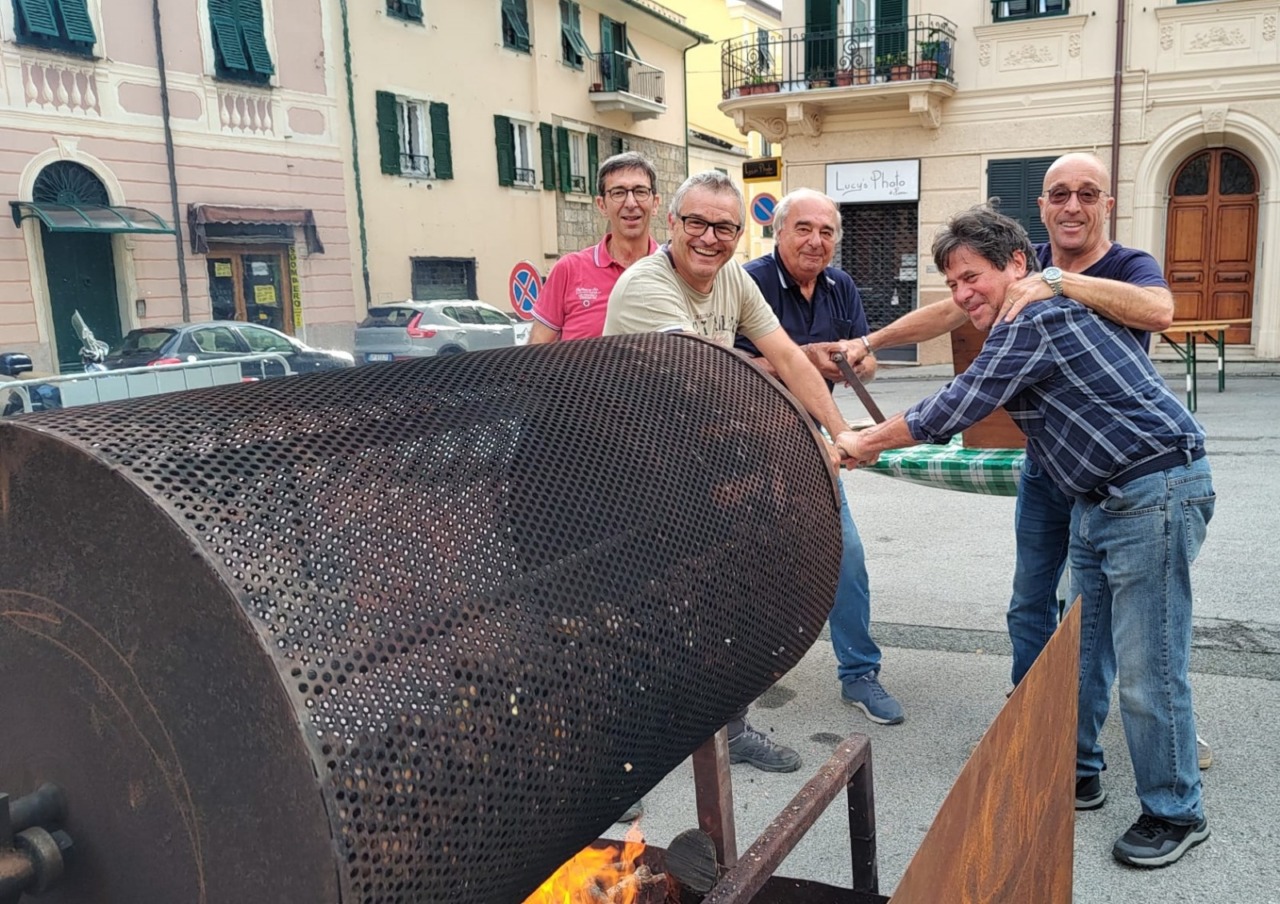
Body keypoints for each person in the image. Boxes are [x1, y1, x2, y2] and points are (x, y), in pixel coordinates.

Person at [846, 204, 1214, 869]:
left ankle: (1175, 808)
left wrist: (865, 441)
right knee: (1078, 653)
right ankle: (1077, 768)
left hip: (1152, 492)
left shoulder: (1036, 314)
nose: (962, 295)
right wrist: (871, 346)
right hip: (1099, 500)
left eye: (970, 277)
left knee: (1147, 668)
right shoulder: (1019, 315)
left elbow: (960, 402)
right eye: (952, 284)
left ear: (1018, 264)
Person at [605, 171, 863, 773]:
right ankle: (621, 767)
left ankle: (732, 729)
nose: (710, 237)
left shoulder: (732, 283)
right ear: (672, 225)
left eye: (725, 227)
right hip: (635, 479)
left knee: (728, 605)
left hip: (697, 475)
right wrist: (798, 442)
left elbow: (789, 360)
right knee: (645, 625)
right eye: (697, 222)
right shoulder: (648, 286)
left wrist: (839, 432)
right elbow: (706, 382)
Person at [735, 188, 904, 725]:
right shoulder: (748, 281)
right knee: (742, 563)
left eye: (826, 231)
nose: (815, 241)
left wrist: (851, 360)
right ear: (778, 232)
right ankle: (739, 678)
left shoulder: (840, 285)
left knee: (846, 556)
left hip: (812, 445)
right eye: (803, 228)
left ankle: (858, 674)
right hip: (744, 446)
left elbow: (867, 363)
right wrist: (797, 362)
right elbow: (722, 361)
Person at [529, 152, 660, 344]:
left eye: (640, 191)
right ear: (602, 205)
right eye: (618, 193)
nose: (631, 203)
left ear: (655, 203)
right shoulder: (569, 270)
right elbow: (536, 351)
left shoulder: (673, 270)